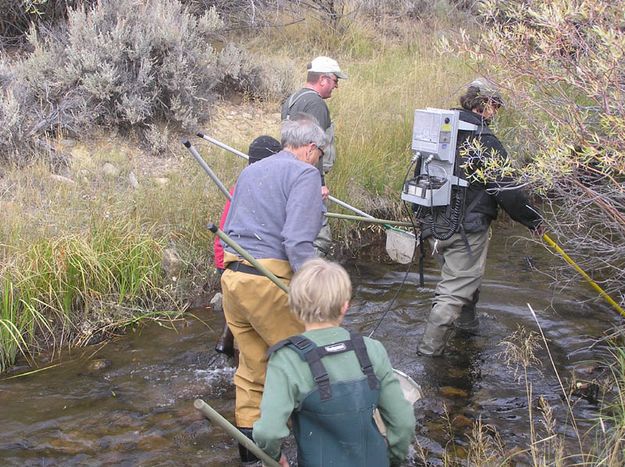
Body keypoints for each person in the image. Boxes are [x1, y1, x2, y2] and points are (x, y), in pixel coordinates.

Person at [220, 114, 326, 466]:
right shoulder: (305, 173)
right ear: (311, 149)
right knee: (309, 366)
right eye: (321, 153)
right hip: (271, 280)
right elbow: (297, 242)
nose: (319, 159)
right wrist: (318, 290)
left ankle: (255, 459)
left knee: (253, 373)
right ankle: (319, 455)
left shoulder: (251, 170)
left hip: (234, 278)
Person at [416, 78, 543, 357]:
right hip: (466, 230)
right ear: (486, 105)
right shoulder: (485, 141)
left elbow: (419, 172)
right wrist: (534, 220)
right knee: (453, 293)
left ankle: (467, 329)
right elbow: (508, 191)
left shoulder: (439, 128)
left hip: (435, 224)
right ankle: (428, 355)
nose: (496, 112)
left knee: (463, 280)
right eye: (495, 106)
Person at [253, 258, 416, 467]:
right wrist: (394, 459)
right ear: (345, 306)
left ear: (293, 307)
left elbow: (268, 433)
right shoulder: (372, 350)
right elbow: (402, 423)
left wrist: (275, 457)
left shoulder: (286, 360)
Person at [213, 135, 282, 357]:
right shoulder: (256, 190)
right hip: (238, 261)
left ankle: (229, 342)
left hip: (229, 261)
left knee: (239, 309)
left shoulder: (241, 185)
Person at [281, 56, 347, 256]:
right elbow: (313, 147)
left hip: (289, 173)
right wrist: (318, 183)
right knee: (320, 237)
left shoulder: (292, 99)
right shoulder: (316, 104)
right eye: (335, 81)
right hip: (308, 176)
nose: (336, 87)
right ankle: (312, 280)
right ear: (323, 80)